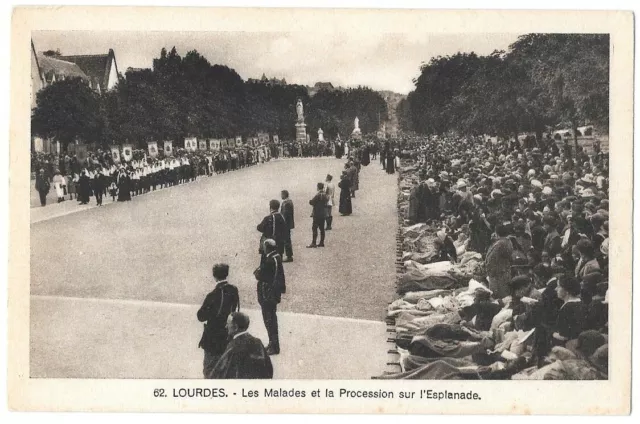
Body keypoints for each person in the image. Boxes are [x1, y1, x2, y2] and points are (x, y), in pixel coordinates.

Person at [197, 263, 240, 379]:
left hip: (213, 335)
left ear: (214, 276)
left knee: (209, 368)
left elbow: (200, 316)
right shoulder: (233, 290)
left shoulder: (213, 295)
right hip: (228, 334)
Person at [209, 312, 273, 379]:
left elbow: (221, 373)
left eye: (228, 324)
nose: (226, 326)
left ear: (236, 327)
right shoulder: (258, 342)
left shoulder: (233, 347)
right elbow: (269, 369)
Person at [255, 239, 285, 355]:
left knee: (269, 320)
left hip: (267, 294)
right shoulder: (276, 257)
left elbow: (259, 274)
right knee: (272, 319)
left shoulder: (269, 260)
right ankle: (273, 343)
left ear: (266, 247)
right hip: (274, 294)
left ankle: (273, 345)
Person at [485, 223, 514, 299]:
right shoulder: (507, 241)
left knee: (499, 296)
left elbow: (491, 259)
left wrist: (489, 272)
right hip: (503, 271)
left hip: (498, 274)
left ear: (497, 233)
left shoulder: (500, 244)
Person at [308, 182, 328, 248]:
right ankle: (321, 242)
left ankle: (314, 243)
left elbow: (312, 202)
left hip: (317, 213)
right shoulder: (325, 194)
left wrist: (310, 201)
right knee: (322, 228)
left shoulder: (318, 195)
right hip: (323, 213)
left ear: (318, 187)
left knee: (314, 228)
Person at [280, 190, 295, 262]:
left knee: (286, 240)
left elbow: (284, 215)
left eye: (281, 195)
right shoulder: (289, 202)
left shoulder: (286, 203)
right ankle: (289, 255)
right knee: (287, 239)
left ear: (284, 195)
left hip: (285, 225)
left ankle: (289, 256)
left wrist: (281, 224)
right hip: (288, 224)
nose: (281, 196)